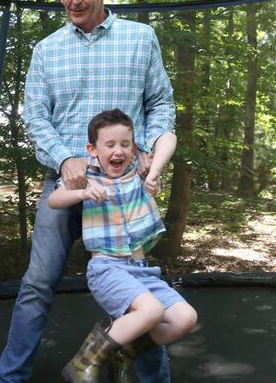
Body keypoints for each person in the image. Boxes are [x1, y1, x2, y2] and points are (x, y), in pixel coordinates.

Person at [0, 0, 176, 382]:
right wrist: (65, 158)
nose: (74, 0)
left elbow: (161, 104)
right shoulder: (47, 50)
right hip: (66, 186)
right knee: (37, 286)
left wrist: (150, 146)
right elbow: (35, 117)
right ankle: (11, 378)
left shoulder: (140, 38)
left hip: (123, 190)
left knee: (136, 292)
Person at [48, 109, 197, 382]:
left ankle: (124, 351)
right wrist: (81, 192)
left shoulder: (138, 173)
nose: (118, 151)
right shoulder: (87, 174)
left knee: (184, 318)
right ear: (93, 149)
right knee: (151, 311)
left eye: (125, 144)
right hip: (107, 268)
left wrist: (155, 173)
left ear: (134, 148)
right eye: (110, 145)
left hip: (141, 269)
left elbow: (169, 138)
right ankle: (84, 361)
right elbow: (53, 200)